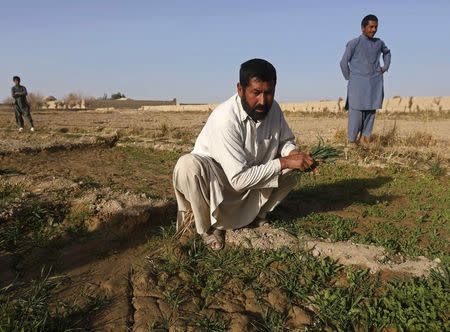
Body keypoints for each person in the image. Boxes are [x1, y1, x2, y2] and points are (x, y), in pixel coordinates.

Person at [173, 59, 314, 250]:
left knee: (293, 167)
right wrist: (283, 162)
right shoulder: (225, 119)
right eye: (255, 93)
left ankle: (255, 217)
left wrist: (293, 154)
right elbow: (238, 179)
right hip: (220, 183)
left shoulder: (274, 110)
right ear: (240, 89)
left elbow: (285, 141)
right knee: (187, 166)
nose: (263, 101)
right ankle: (207, 228)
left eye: (269, 93)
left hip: (251, 177)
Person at [340, 14, 391, 144]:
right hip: (357, 87)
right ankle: (351, 144)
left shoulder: (379, 43)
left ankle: (364, 142)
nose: (374, 29)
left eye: (376, 27)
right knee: (356, 116)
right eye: (371, 27)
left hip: (374, 85)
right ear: (363, 28)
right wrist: (350, 78)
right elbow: (343, 63)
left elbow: (387, 52)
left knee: (370, 114)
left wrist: (385, 67)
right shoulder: (354, 43)